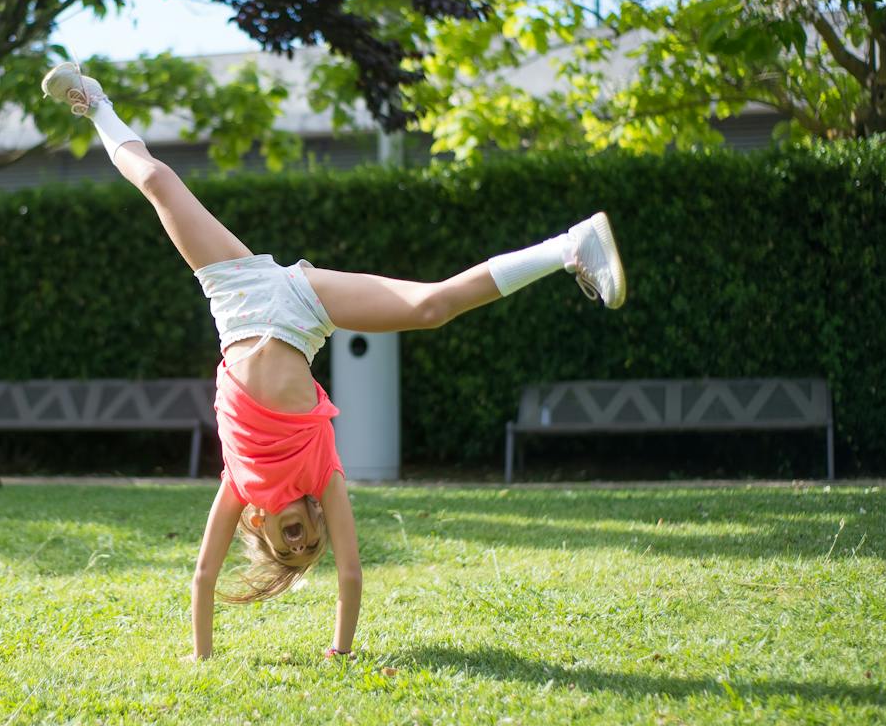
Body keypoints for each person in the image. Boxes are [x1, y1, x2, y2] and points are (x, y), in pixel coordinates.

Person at [41, 62, 626, 660]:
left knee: (160, 184)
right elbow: (350, 574)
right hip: (300, 308)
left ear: (259, 530)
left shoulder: (239, 488)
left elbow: (202, 579)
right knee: (429, 307)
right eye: (308, 548)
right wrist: (340, 651)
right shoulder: (325, 479)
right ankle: (566, 248)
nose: (301, 547)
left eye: (287, 550)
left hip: (237, 297)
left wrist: (201, 656)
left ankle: (94, 105)